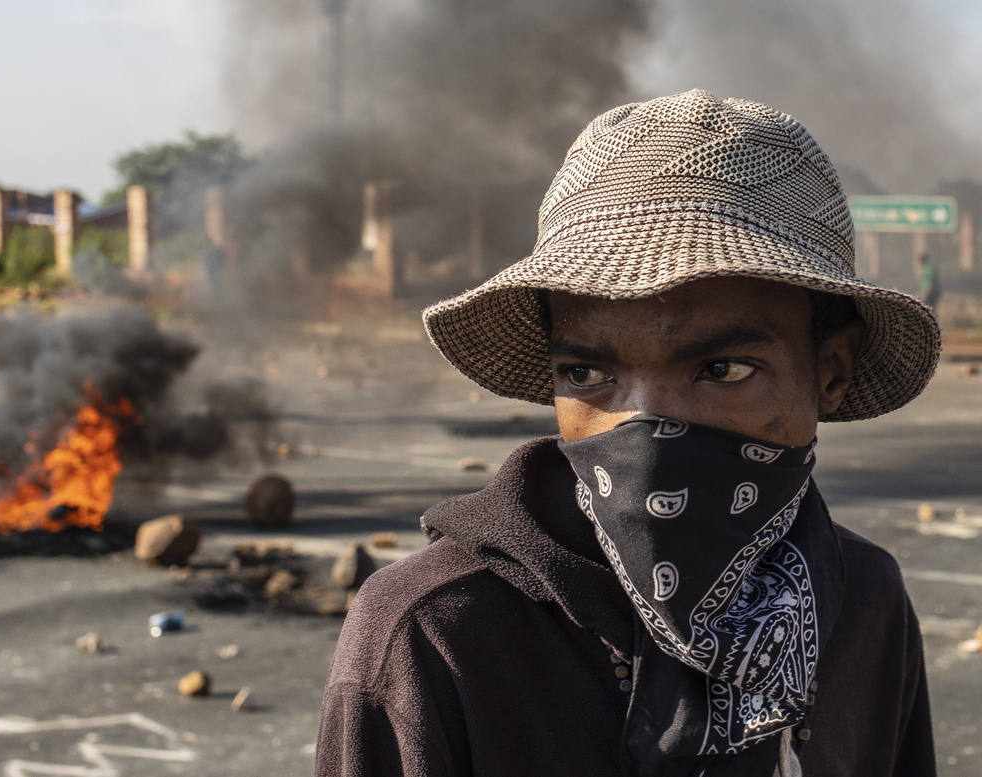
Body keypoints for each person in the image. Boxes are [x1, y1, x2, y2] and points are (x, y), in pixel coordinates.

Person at [315, 90, 941, 776]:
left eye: (721, 368)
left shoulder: (862, 599)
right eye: (588, 372)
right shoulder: (434, 632)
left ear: (831, 370)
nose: (643, 430)